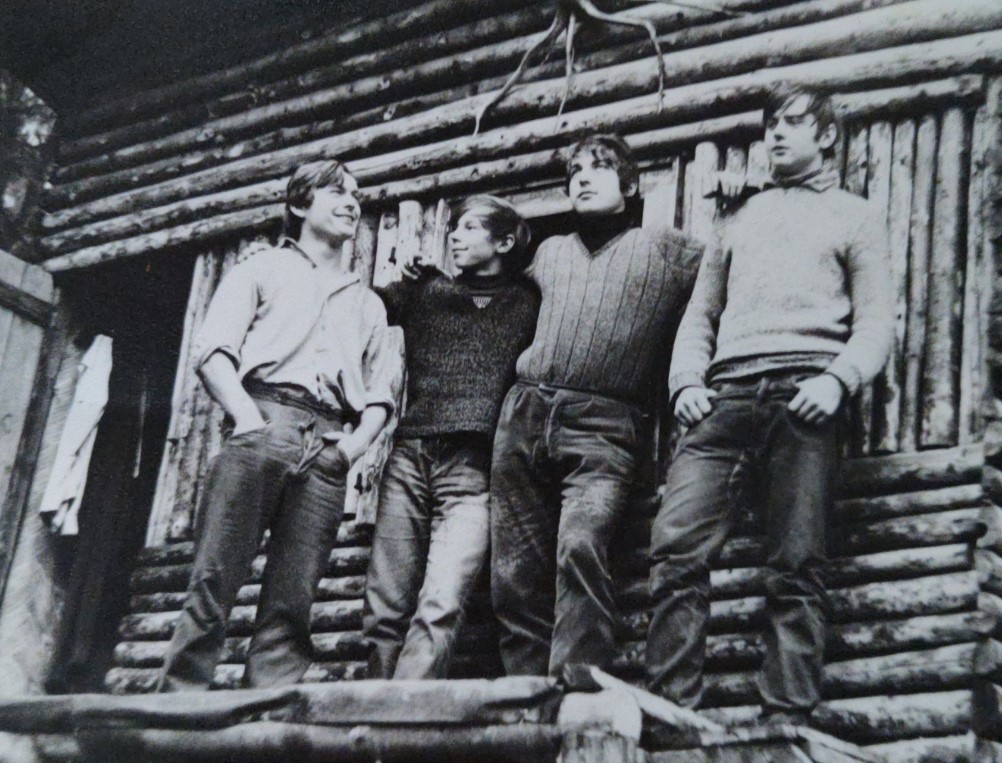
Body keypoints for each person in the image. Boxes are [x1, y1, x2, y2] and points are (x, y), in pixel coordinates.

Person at [645, 85, 895, 723]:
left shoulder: (856, 216)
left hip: (804, 397)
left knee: (797, 559)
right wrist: (686, 383)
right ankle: (672, 714)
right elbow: (700, 316)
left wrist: (837, 380)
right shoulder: (737, 219)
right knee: (675, 548)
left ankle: (785, 719)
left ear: (827, 136)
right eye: (771, 125)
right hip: (723, 401)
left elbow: (876, 323)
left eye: (793, 122)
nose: (777, 134)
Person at [157, 159, 394, 691]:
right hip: (263, 422)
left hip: (327, 445)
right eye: (337, 191)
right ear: (299, 205)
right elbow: (213, 352)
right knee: (215, 575)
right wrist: (247, 417)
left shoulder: (368, 303)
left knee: (294, 594)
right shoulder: (260, 269)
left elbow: (380, 394)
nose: (352, 202)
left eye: (356, 195)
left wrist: (350, 450)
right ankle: (177, 705)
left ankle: (266, 707)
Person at [490, 133, 705, 677]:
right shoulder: (547, 253)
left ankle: (577, 685)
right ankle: (525, 692)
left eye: (599, 167)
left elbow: (726, 272)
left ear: (630, 186)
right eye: (575, 171)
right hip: (525, 414)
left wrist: (739, 198)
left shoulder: (666, 248)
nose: (582, 177)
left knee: (580, 546)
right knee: (513, 568)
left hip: (605, 424)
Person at [362, 195, 539, 679]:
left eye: (469, 227)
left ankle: (404, 709)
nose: (455, 236)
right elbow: (358, 309)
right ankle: (372, 708)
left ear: (504, 242)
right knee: (384, 604)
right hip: (409, 457)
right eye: (453, 228)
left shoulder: (529, 302)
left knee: (441, 602)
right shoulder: (426, 290)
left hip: (473, 467)